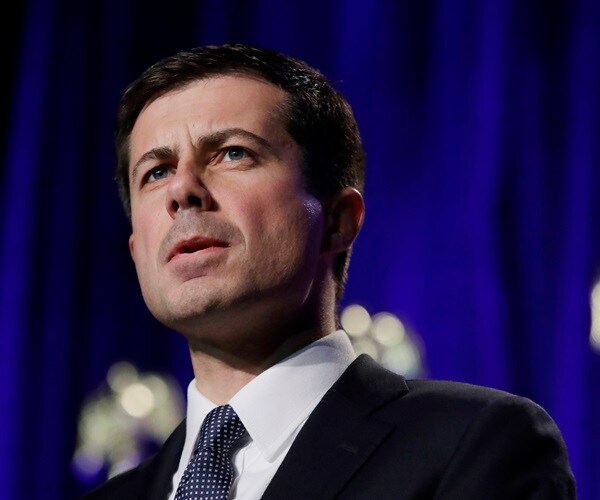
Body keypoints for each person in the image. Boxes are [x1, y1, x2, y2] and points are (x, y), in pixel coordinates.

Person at [82, 44, 576, 499]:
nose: (182, 190)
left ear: (338, 221)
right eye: (157, 171)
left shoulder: (475, 446)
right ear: (137, 250)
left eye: (233, 153)